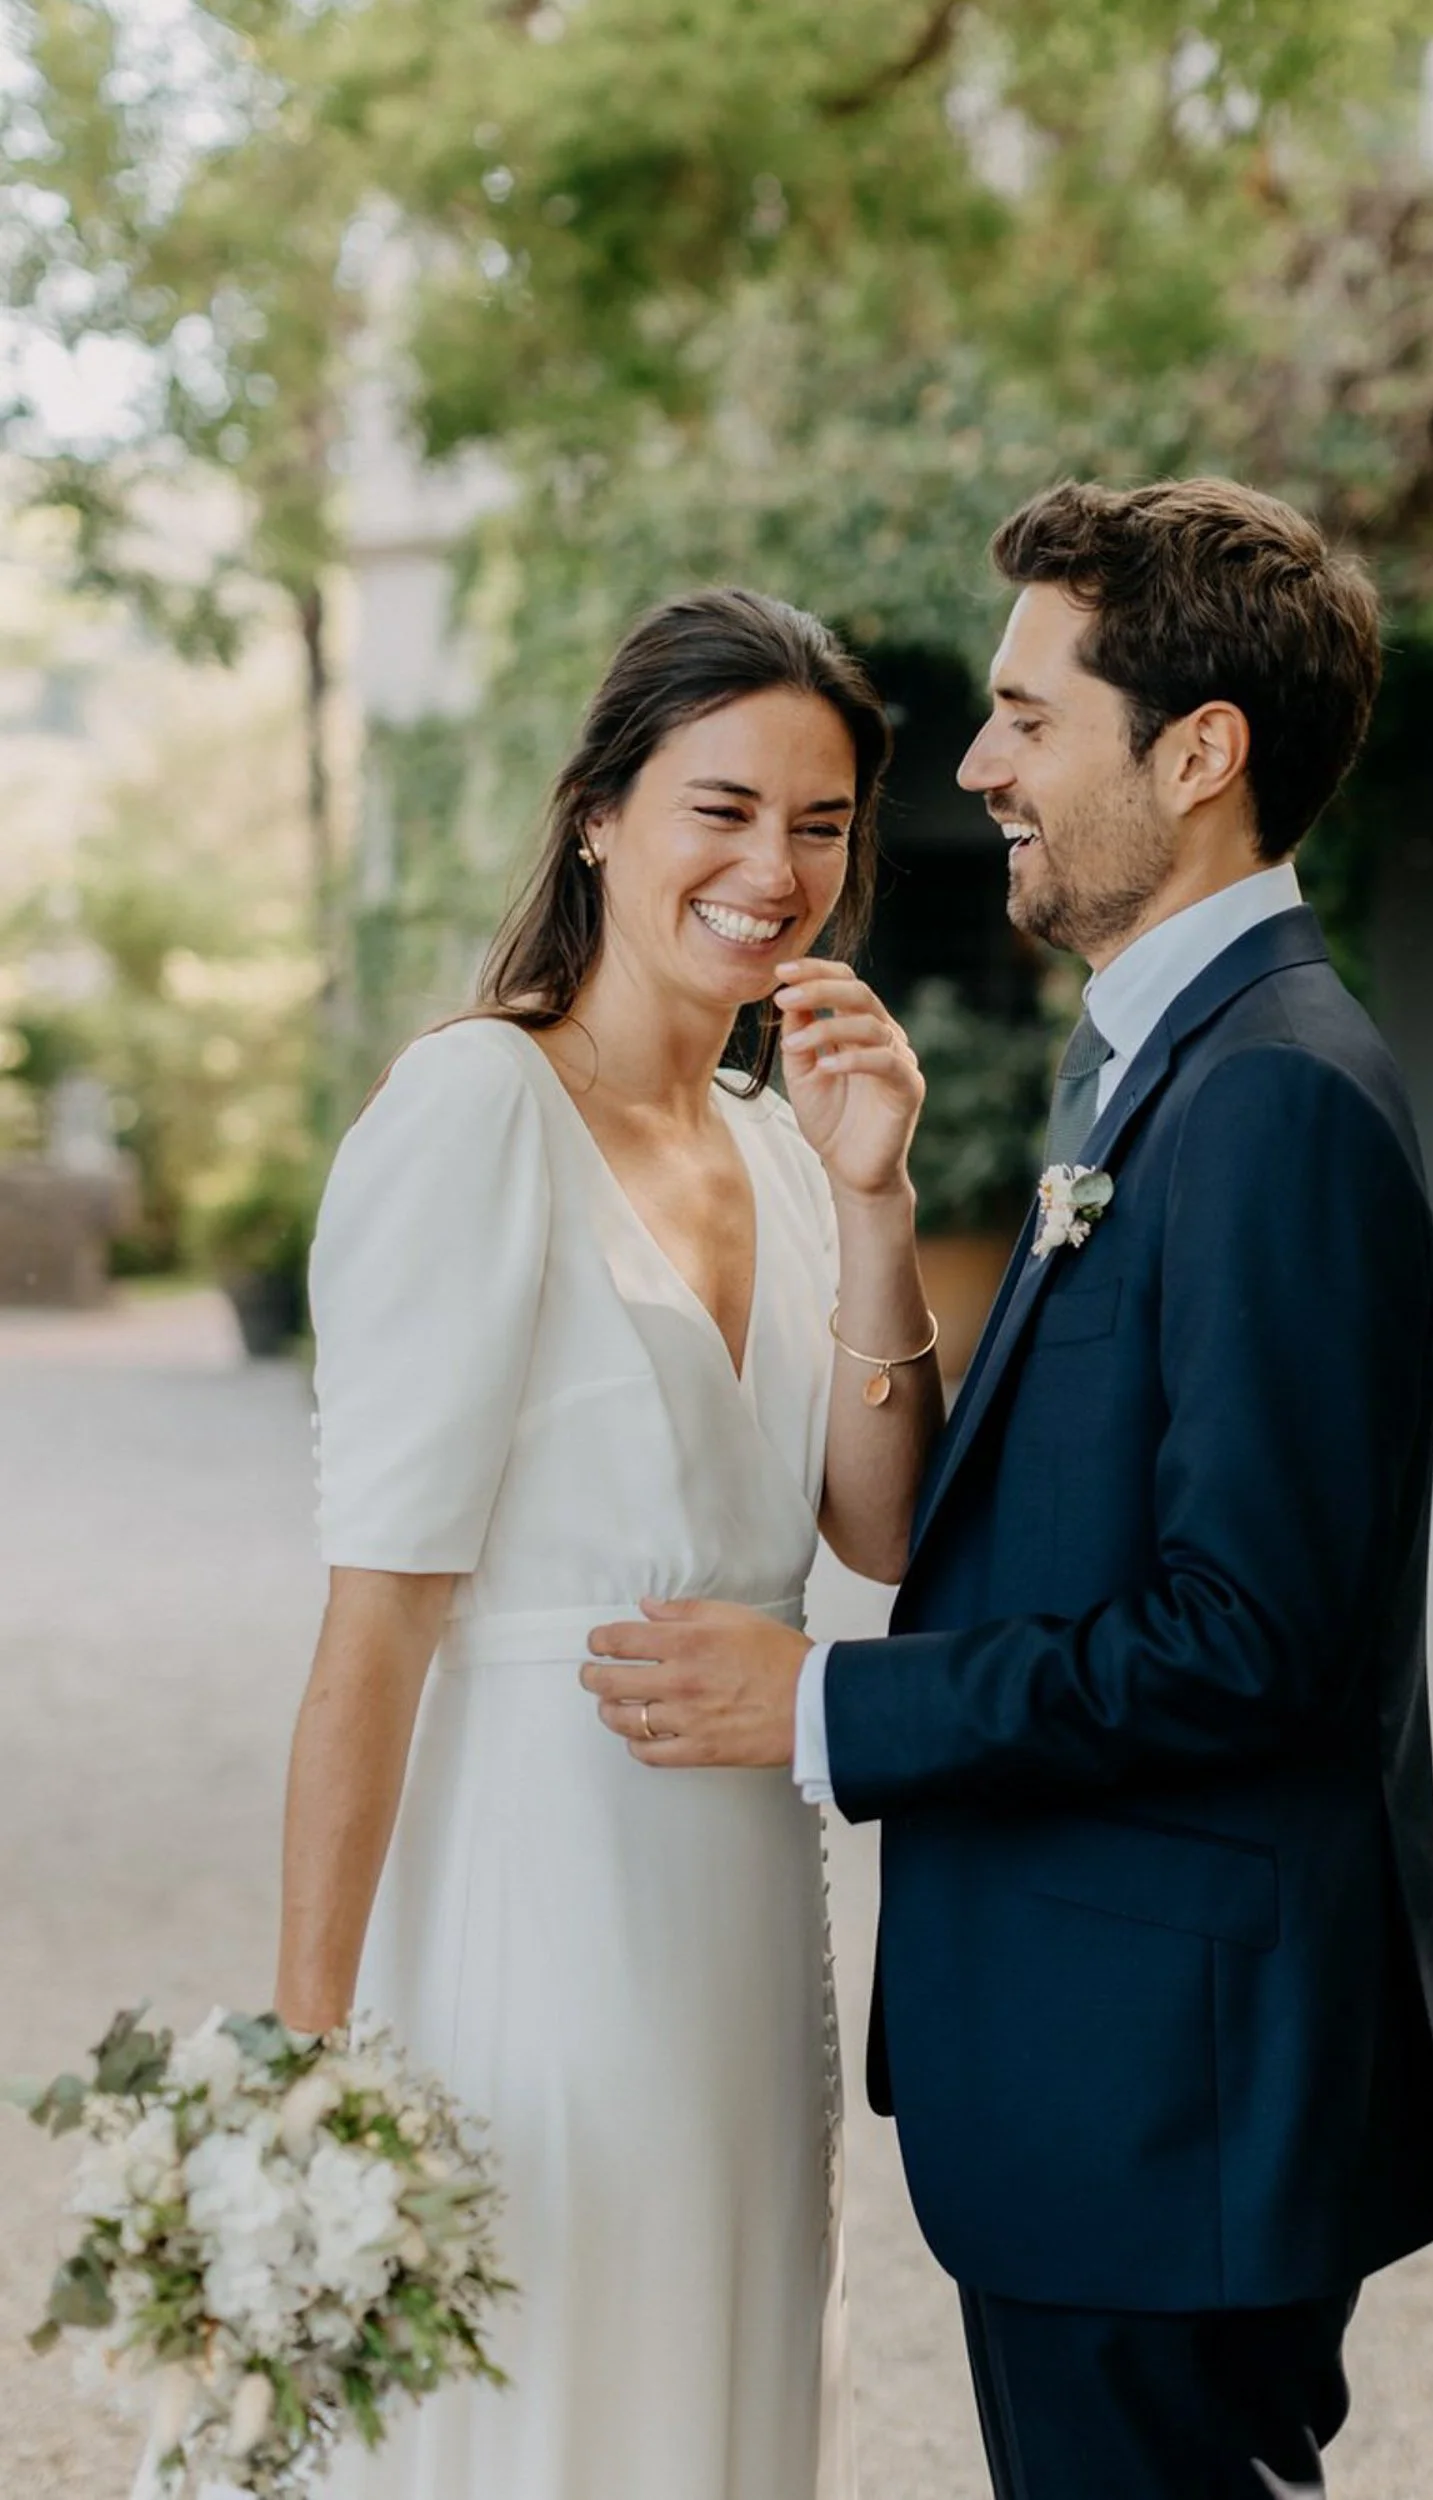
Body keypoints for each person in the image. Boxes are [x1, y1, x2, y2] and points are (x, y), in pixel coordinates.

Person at [582, 480, 1433, 2500]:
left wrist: (816, 1703)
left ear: (1198, 752)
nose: (974, 762)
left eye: (1024, 715)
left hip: (1181, 2092)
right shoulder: (1146, 1065)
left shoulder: (1272, 1099)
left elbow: (1253, 1643)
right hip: (1116, 2076)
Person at [273, 587, 943, 2500]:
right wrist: (307, 2072)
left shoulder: (781, 1139)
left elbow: (880, 1534)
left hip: (739, 1915)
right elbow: (373, 1633)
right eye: (719, 808)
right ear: (598, 817)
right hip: (528, 1912)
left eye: (820, 825)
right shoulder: (476, 1106)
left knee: (718, 2404)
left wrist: (874, 1195)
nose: (774, 869)